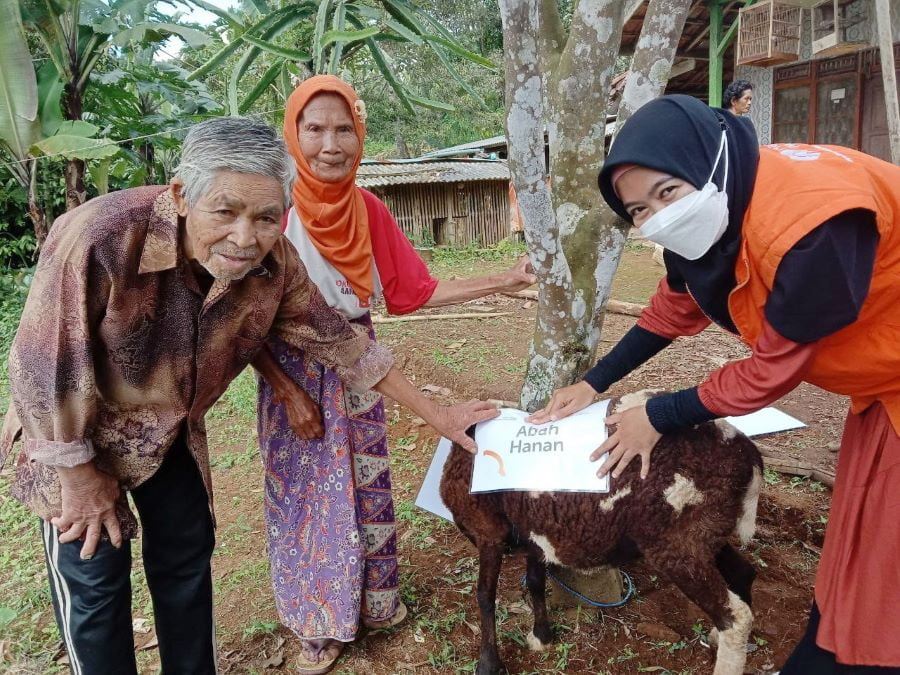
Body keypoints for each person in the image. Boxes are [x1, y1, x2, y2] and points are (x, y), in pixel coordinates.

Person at [0, 116, 497, 675]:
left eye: (266, 217)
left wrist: (439, 414)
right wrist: (77, 475)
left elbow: (345, 346)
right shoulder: (99, 236)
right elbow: (41, 368)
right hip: (72, 438)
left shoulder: (273, 265)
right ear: (182, 195)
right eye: (225, 212)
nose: (245, 238)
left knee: (187, 562)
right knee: (95, 586)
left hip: (169, 433)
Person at [529, 95, 900, 672]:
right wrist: (593, 383)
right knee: (865, 540)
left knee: (887, 562)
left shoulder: (813, 228)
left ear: (710, 158)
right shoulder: (725, 200)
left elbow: (771, 370)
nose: (659, 215)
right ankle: (832, 645)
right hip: (883, 386)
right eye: (639, 209)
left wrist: (657, 415)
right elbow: (673, 309)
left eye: (667, 191)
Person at [251, 75, 536, 674]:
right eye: (314, 128)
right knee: (309, 499)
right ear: (293, 134)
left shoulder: (367, 210)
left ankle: (375, 603)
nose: (331, 144)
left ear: (361, 136)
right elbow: (242, 321)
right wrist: (285, 389)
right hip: (294, 372)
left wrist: (504, 280)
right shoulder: (271, 210)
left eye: (344, 129)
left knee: (365, 487)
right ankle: (319, 625)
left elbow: (413, 291)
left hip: (362, 366)